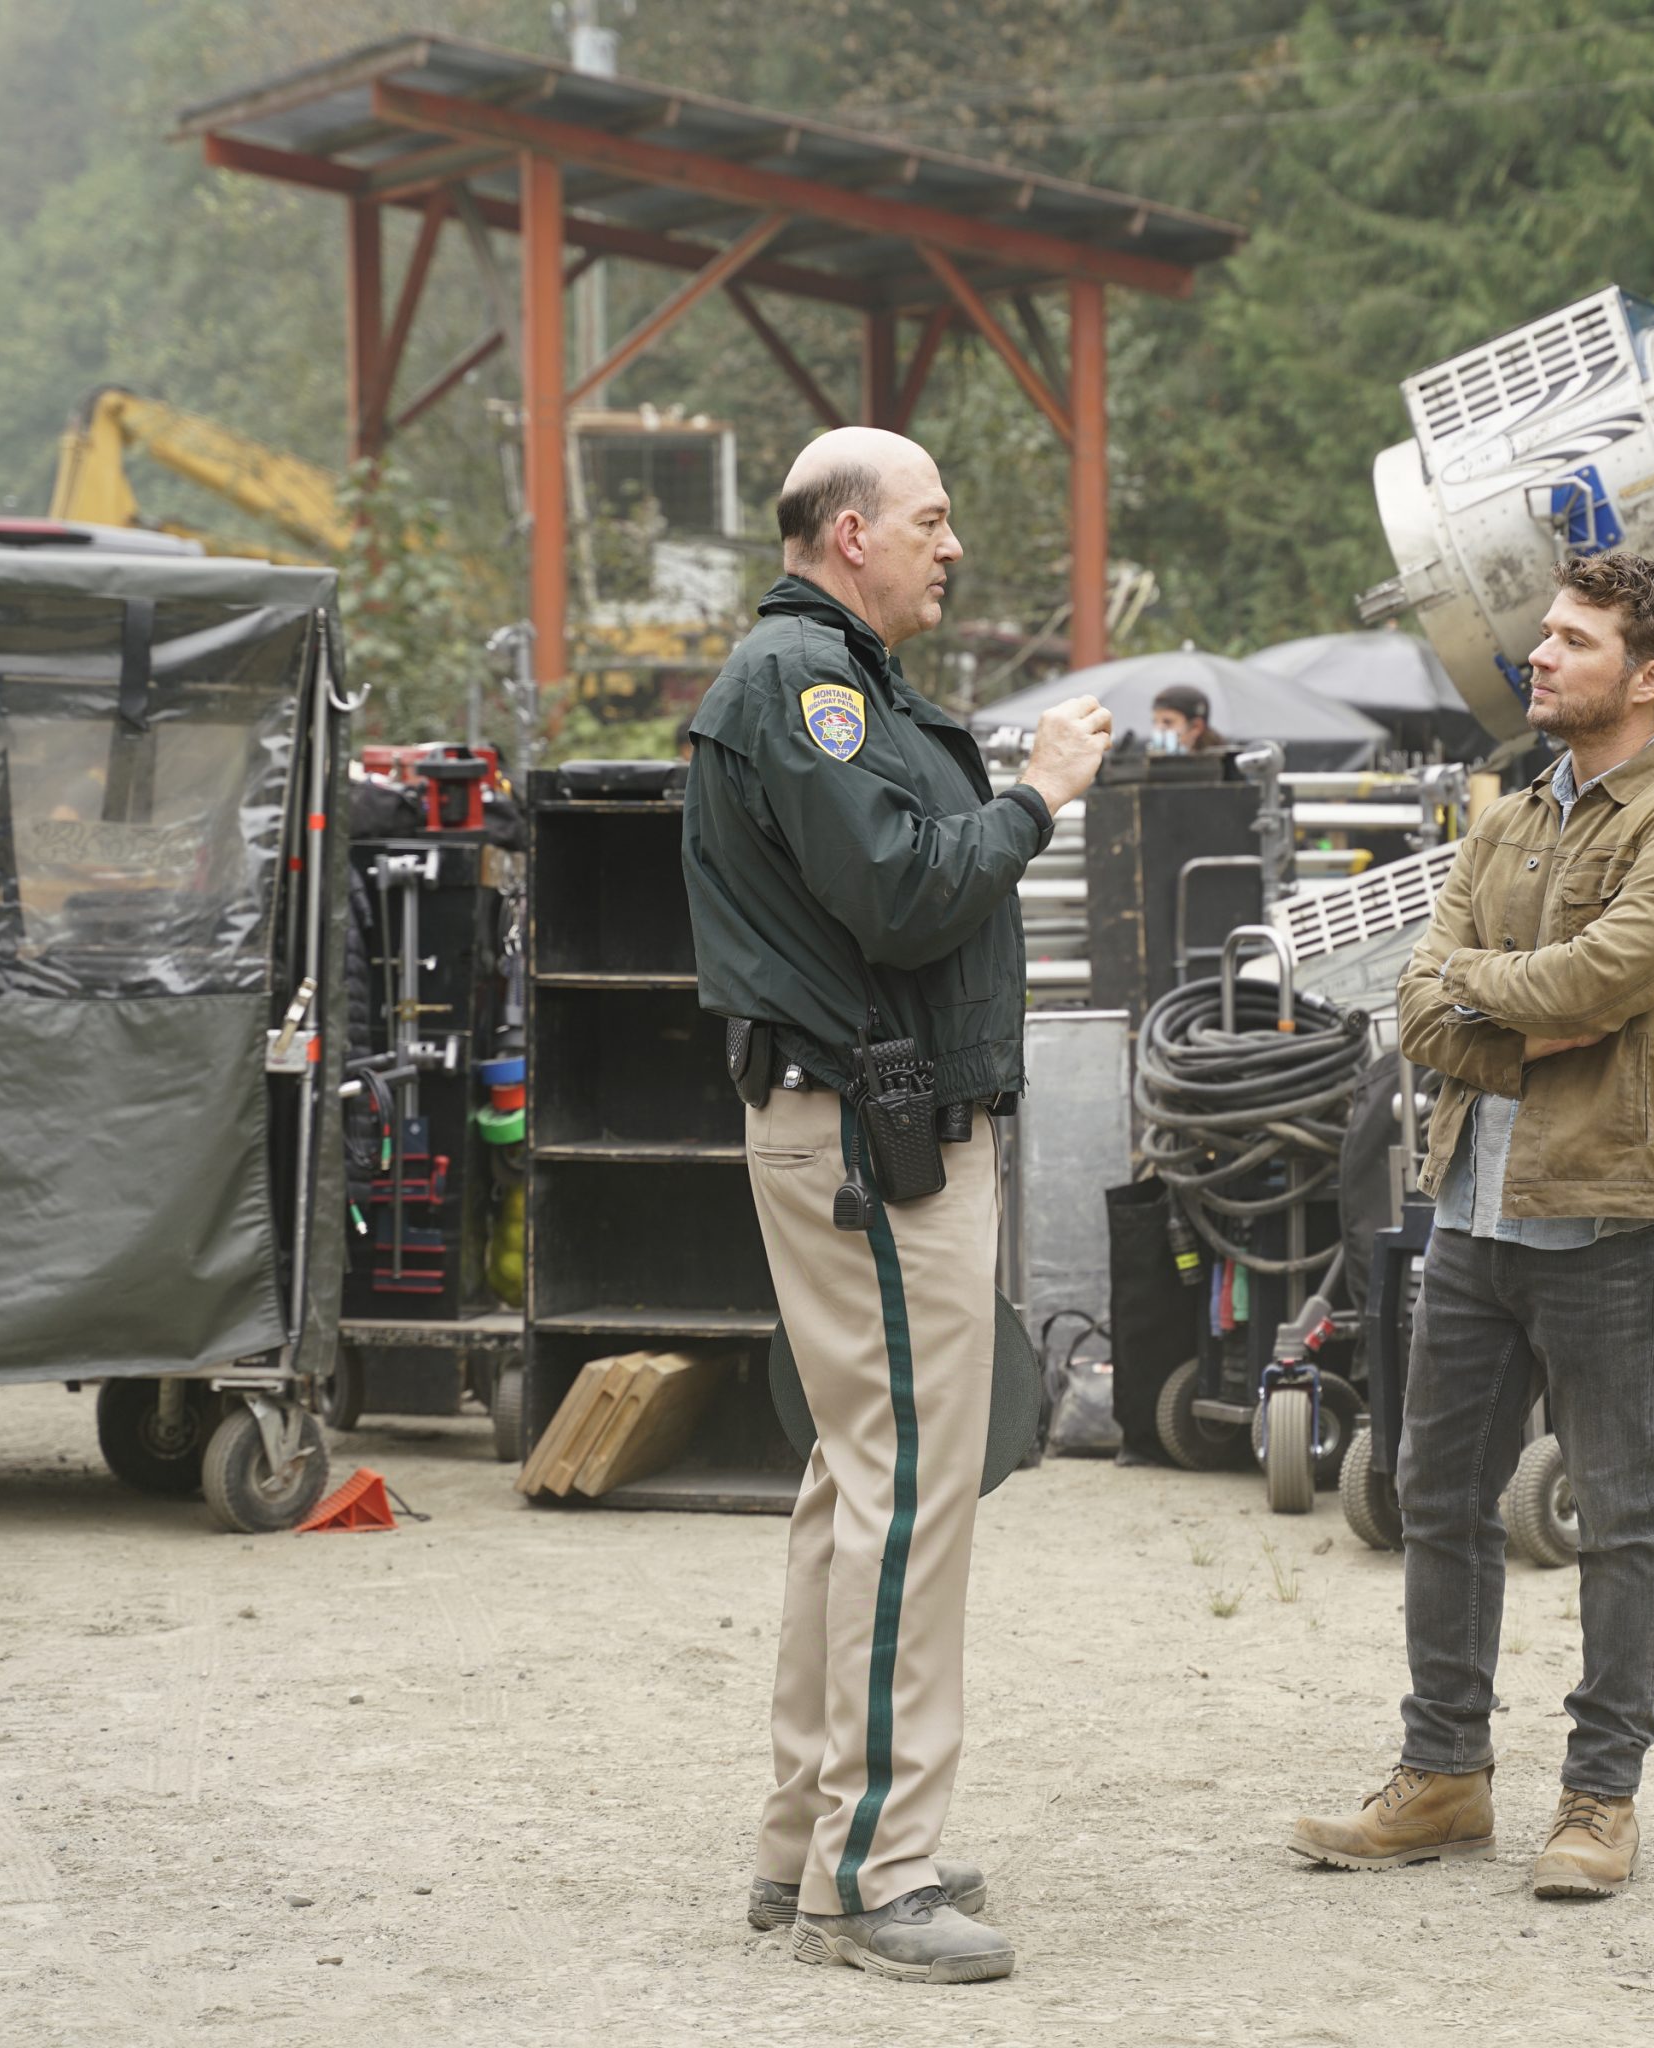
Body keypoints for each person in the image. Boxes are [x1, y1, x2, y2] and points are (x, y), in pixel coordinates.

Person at [681, 426, 1112, 1984]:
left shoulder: (822, 679)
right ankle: (873, 1873)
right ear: (850, 533)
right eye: (931, 520)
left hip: (863, 1128)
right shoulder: (808, 682)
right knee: (908, 1491)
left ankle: (812, 1845)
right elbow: (910, 891)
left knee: (857, 1485)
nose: (952, 546)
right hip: (874, 1144)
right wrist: (1041, 793)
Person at [1288, 551, 1654, 1900]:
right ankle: (1444, 1776)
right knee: (1434, 1491)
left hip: (1614, 1211)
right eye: (1542, 633)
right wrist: (1512, 1015)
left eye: (1570, 639)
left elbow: (1603, 983)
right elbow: (1415, 1001)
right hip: (1473, 1206)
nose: (1536, 655)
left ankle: (1600, 1798)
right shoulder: (1509, 819)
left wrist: (1485, 996)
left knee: (1621, 1509)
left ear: (1647, 676)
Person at [1149, 681, 1226, 754]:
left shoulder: (1222, 761)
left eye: (1168, 722)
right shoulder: (1150, 759)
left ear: (1196, 727)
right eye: (1155, 722)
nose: (1158, 729)